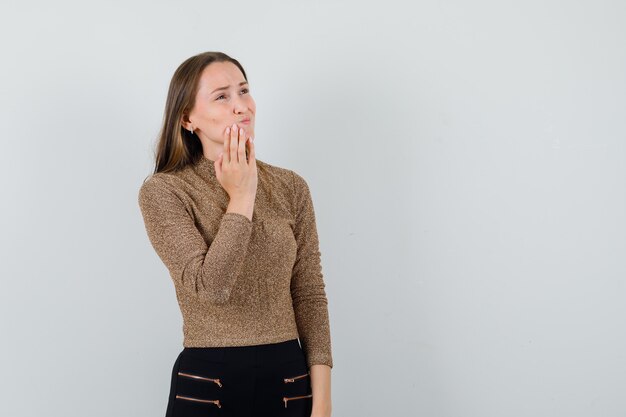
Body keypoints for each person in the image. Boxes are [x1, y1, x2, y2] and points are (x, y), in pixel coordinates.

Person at [137, 51, 333, 417]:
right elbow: (211, 288)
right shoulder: (165, 192)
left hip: (290, 383)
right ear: (186, 118)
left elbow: (308, 295)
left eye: (244, 91)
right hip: (209, 384)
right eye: (222, 96)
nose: (241, 106)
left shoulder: (291, 187)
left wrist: (322, 402)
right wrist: (241, 196)